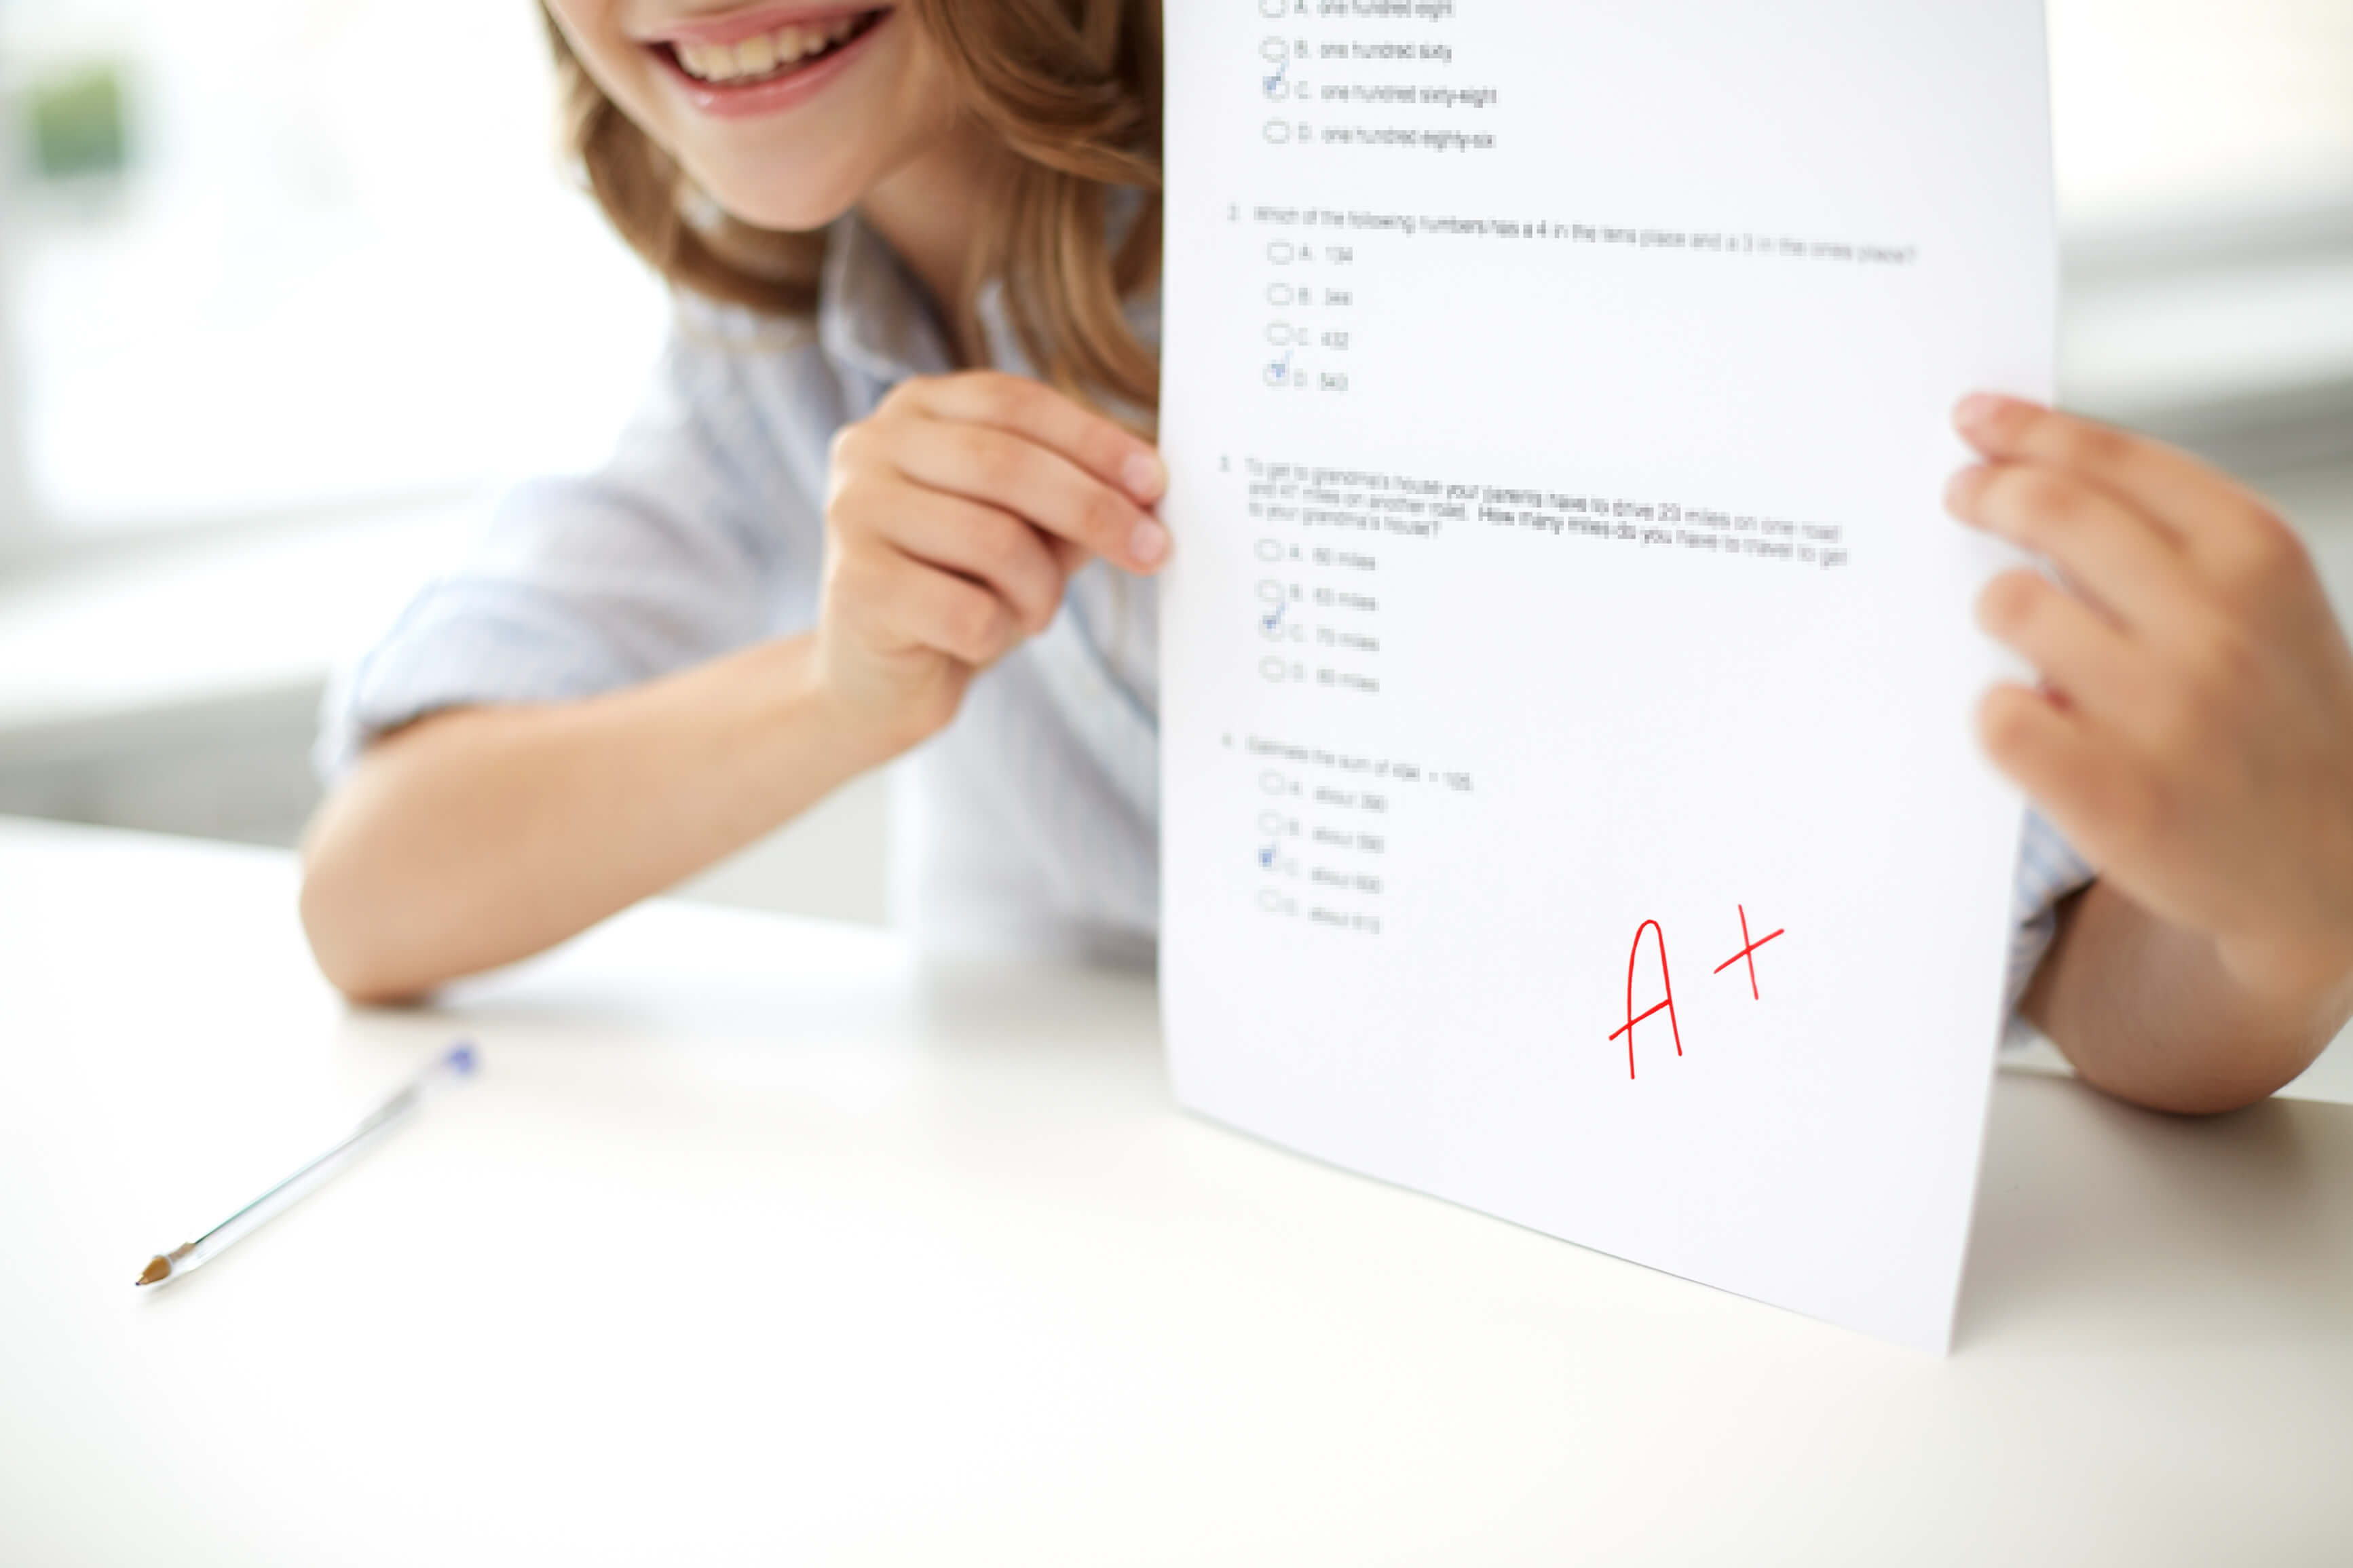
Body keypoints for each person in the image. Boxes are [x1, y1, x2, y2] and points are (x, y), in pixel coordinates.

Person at [298, 0, 2353, 1117]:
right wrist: (832, 692)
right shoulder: (780, 331)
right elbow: (374, 888)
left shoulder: (1434, 197)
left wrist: (2282, 909)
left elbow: (2084, 989)